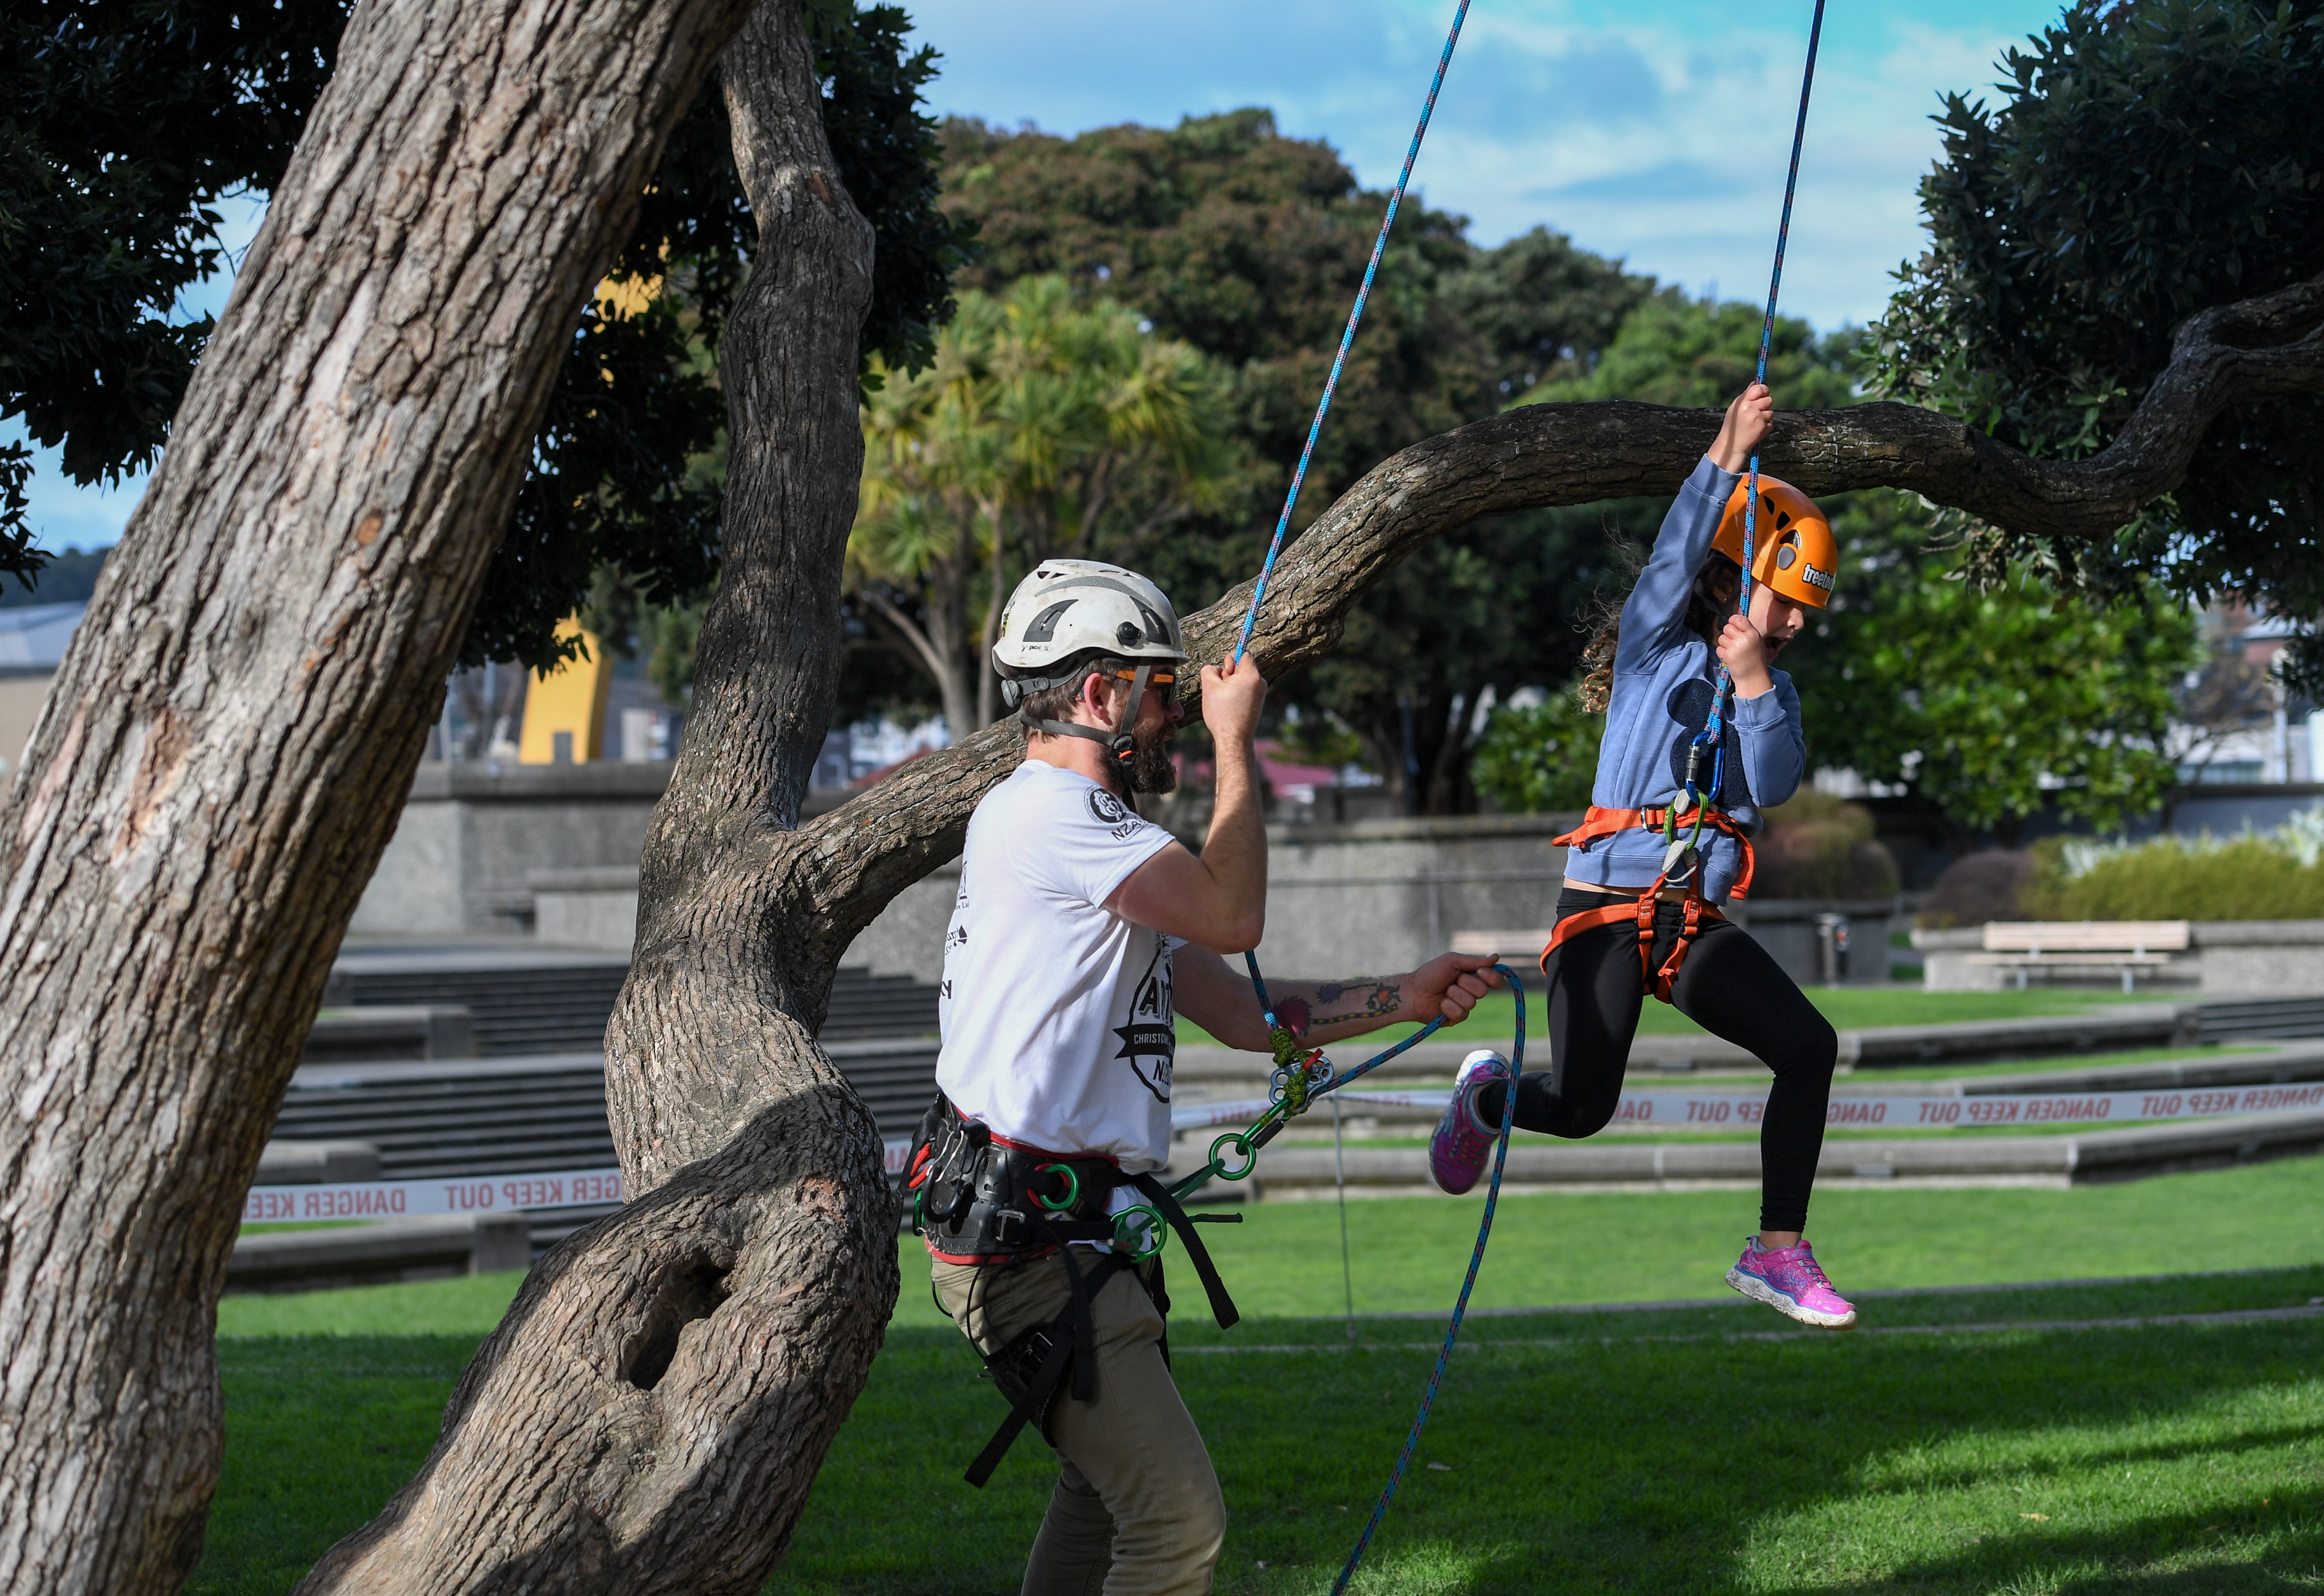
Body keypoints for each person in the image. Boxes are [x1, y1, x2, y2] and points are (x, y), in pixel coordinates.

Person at [912, 558, 1505, 1596]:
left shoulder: (1085, 846)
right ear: (1100, 695)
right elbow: (1238, 916)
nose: (1176, 717)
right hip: (1033, 1243)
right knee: (1179, 1524)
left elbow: (1237, 1005)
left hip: (1058, 1232)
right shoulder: (1053, 817)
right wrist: (1240, 737)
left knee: (1106, 1500)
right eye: (1163, 692)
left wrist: (1402, 995)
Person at [1427, 383, 1858, 1330]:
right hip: (1604, 912)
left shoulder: (1772, 692)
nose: (1790, 624)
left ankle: (1776, 1250)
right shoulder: (1653, 650)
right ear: (1729, 574)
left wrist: (1752, 683)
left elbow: (1773, 782)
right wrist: (1725, 453)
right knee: (1583, 1107)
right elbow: (1668, 554)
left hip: (1691, 923)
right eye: (1781, 600)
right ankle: (1488, 1098)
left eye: (1801, 615)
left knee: (1808, 1047)